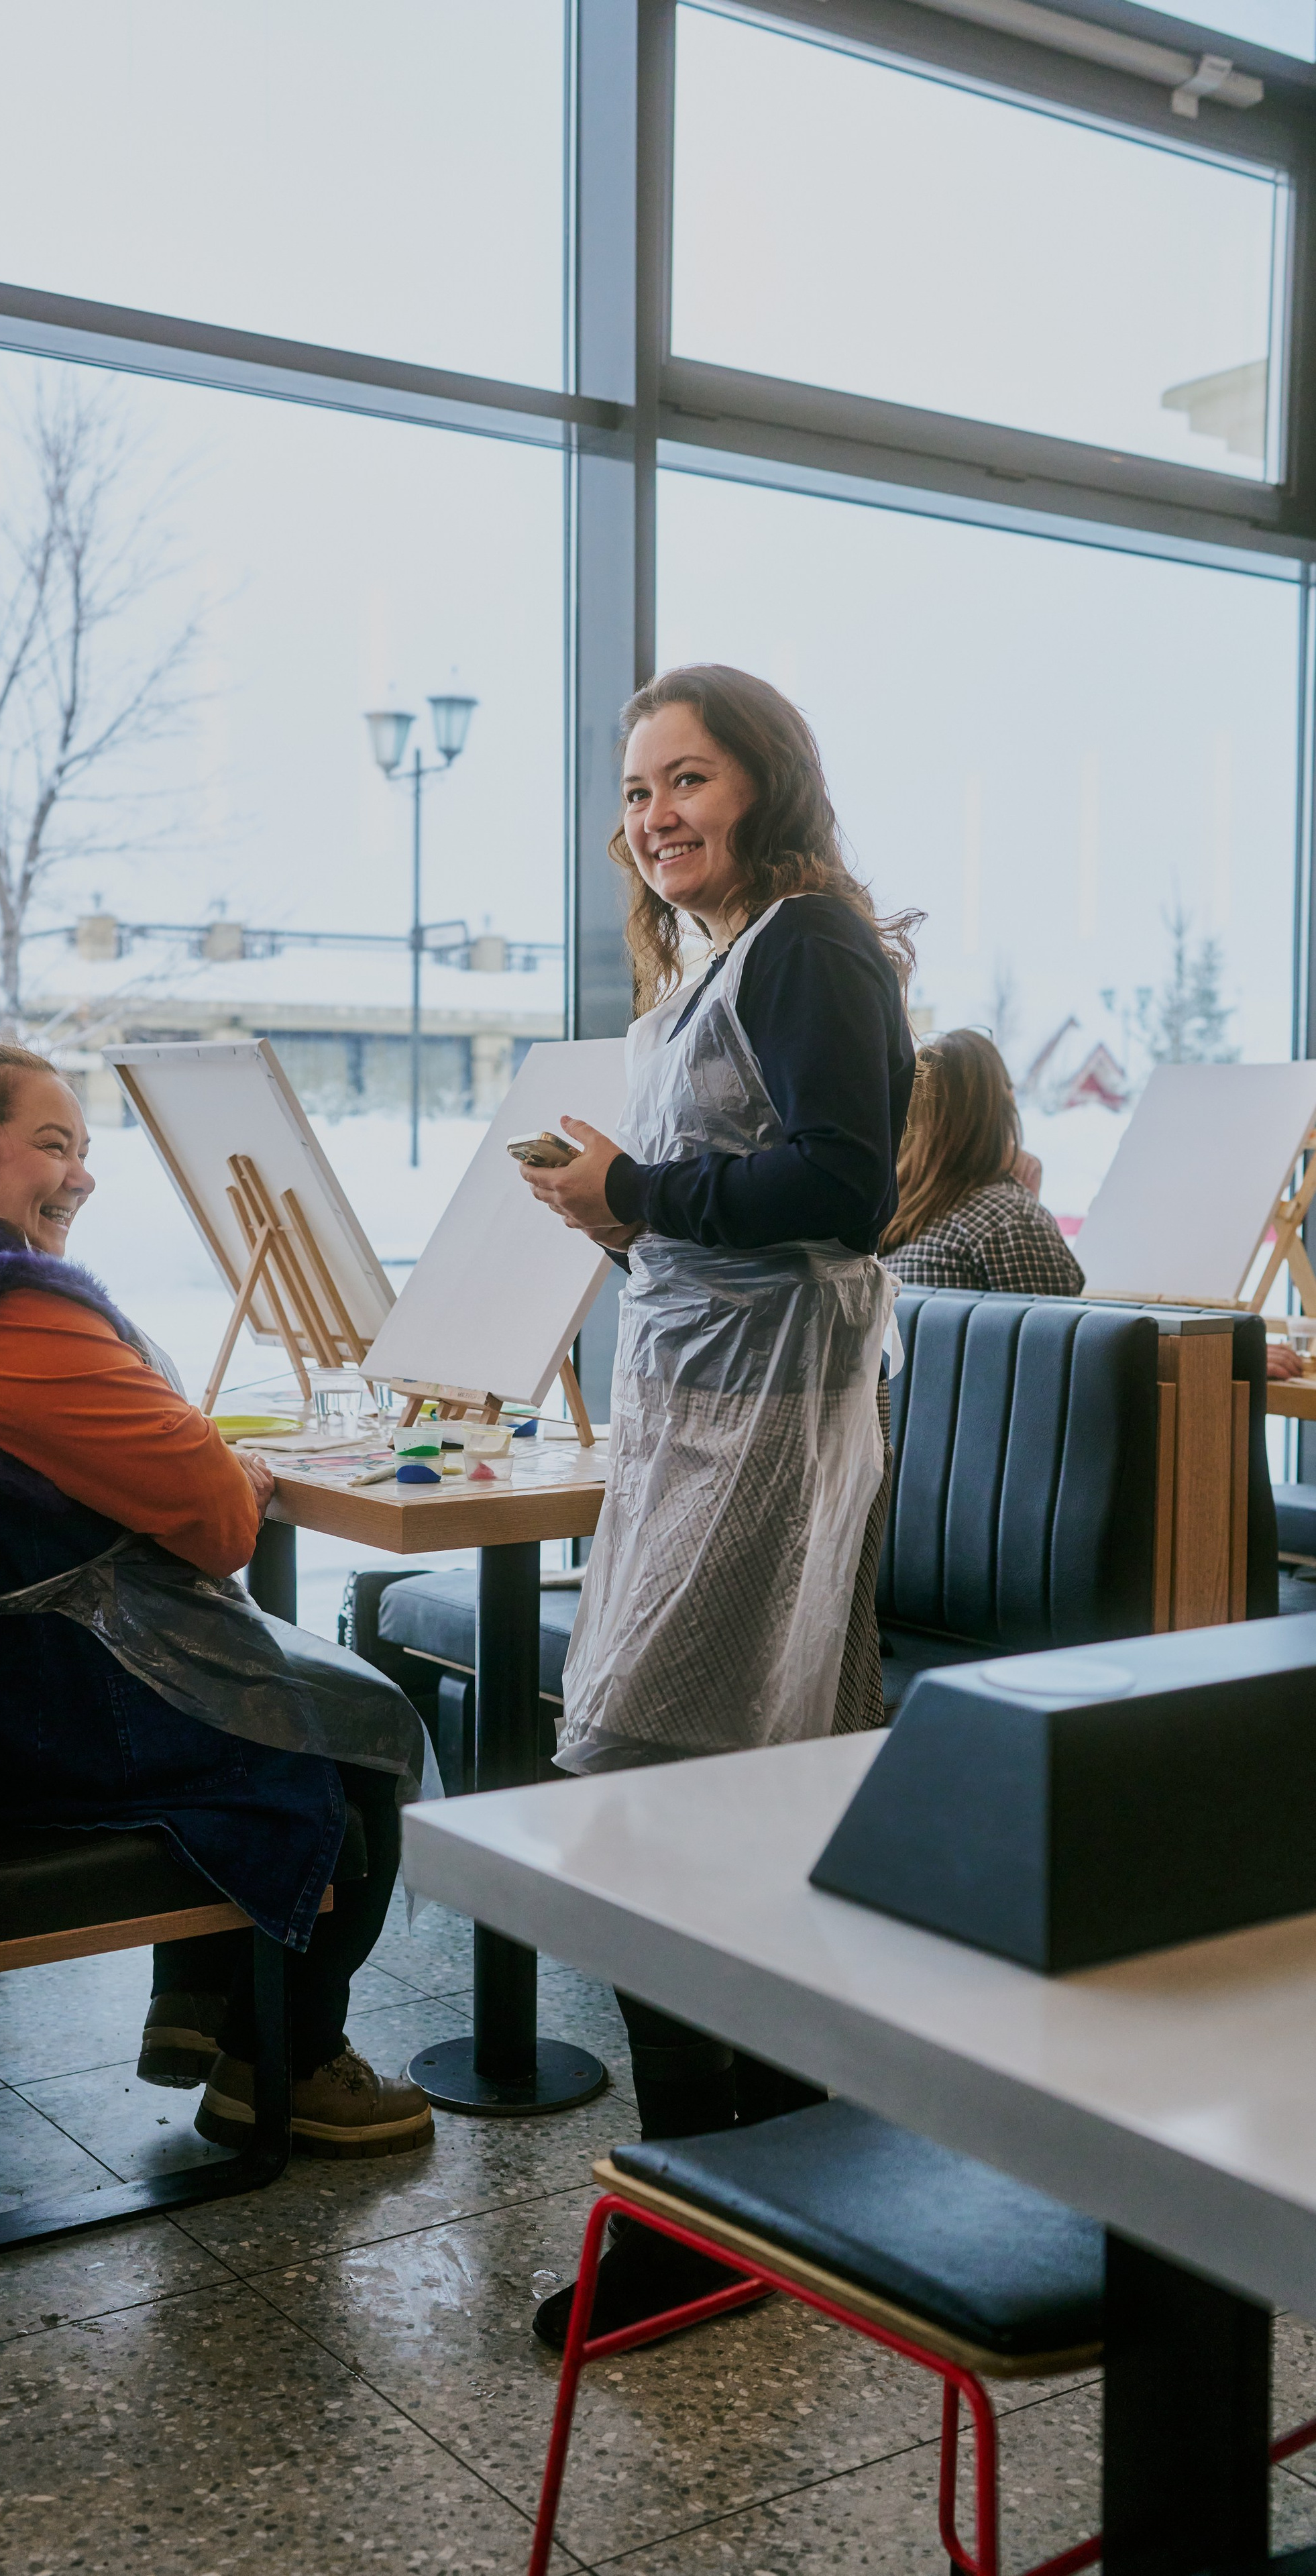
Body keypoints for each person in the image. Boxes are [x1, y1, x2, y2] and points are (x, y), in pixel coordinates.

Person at [0, 1017, 434, 2161]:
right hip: (38, 1701)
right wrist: (220, 1467)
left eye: (84, 1146)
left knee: (279, 1692)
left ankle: (197, 2004)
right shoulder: (8, 1313)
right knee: (357, 1732)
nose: (82, 1173)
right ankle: (281, 2064)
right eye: (52, 1145)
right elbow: (221, 1522)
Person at [517, 664, 918, 2349]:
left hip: (762, 1421)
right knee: (712, 1794)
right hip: (704, 1401)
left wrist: (638, 1188)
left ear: (762, 784)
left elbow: (840, 1184)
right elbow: (753, 1195)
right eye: (634, 791)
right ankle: (751, 2182)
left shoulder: (811, 940)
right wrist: (624, 1223)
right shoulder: (723, 959)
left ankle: (704, 2213)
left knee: (633, 1782)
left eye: (684, 780)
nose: (652, 815)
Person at [880, 1028, 1084, 1297]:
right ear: (1005, 1107)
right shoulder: (1012, 1222)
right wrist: (1024, 1206)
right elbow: (1057, 1335)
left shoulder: (887, 1218)